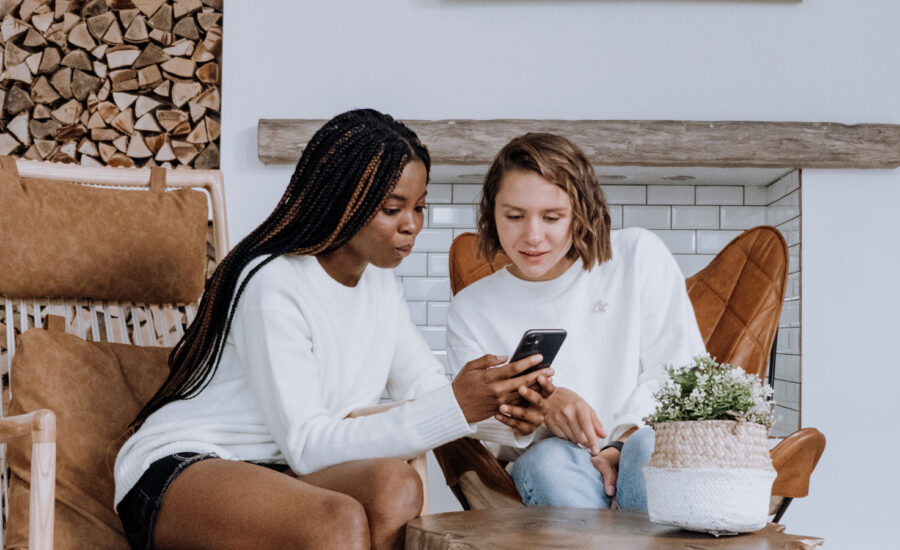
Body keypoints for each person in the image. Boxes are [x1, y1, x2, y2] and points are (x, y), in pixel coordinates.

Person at [114, 109, 554, 550]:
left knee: (397, 486)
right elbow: (307, 443)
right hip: (189, 465)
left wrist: (504, 415)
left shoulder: (380, 283)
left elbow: (427, 391)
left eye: (419, 207)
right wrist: (459, 403)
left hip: (281, 468)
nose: (412, 224)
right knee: (337, 522)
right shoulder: (273, 282)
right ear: (345, 201)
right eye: (392, 208)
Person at [446, 133, 706, 511]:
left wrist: (620, 443)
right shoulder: (472, 307)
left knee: (649, 449)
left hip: (638, 447)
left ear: (580, 213)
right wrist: (543, 411)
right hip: (554, 473)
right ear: (492, 213)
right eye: (514, 216)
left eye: (552, 217)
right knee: (547, 462)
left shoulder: (637, 256)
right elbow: (475, 426)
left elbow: (680, 371)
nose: (533, 236)